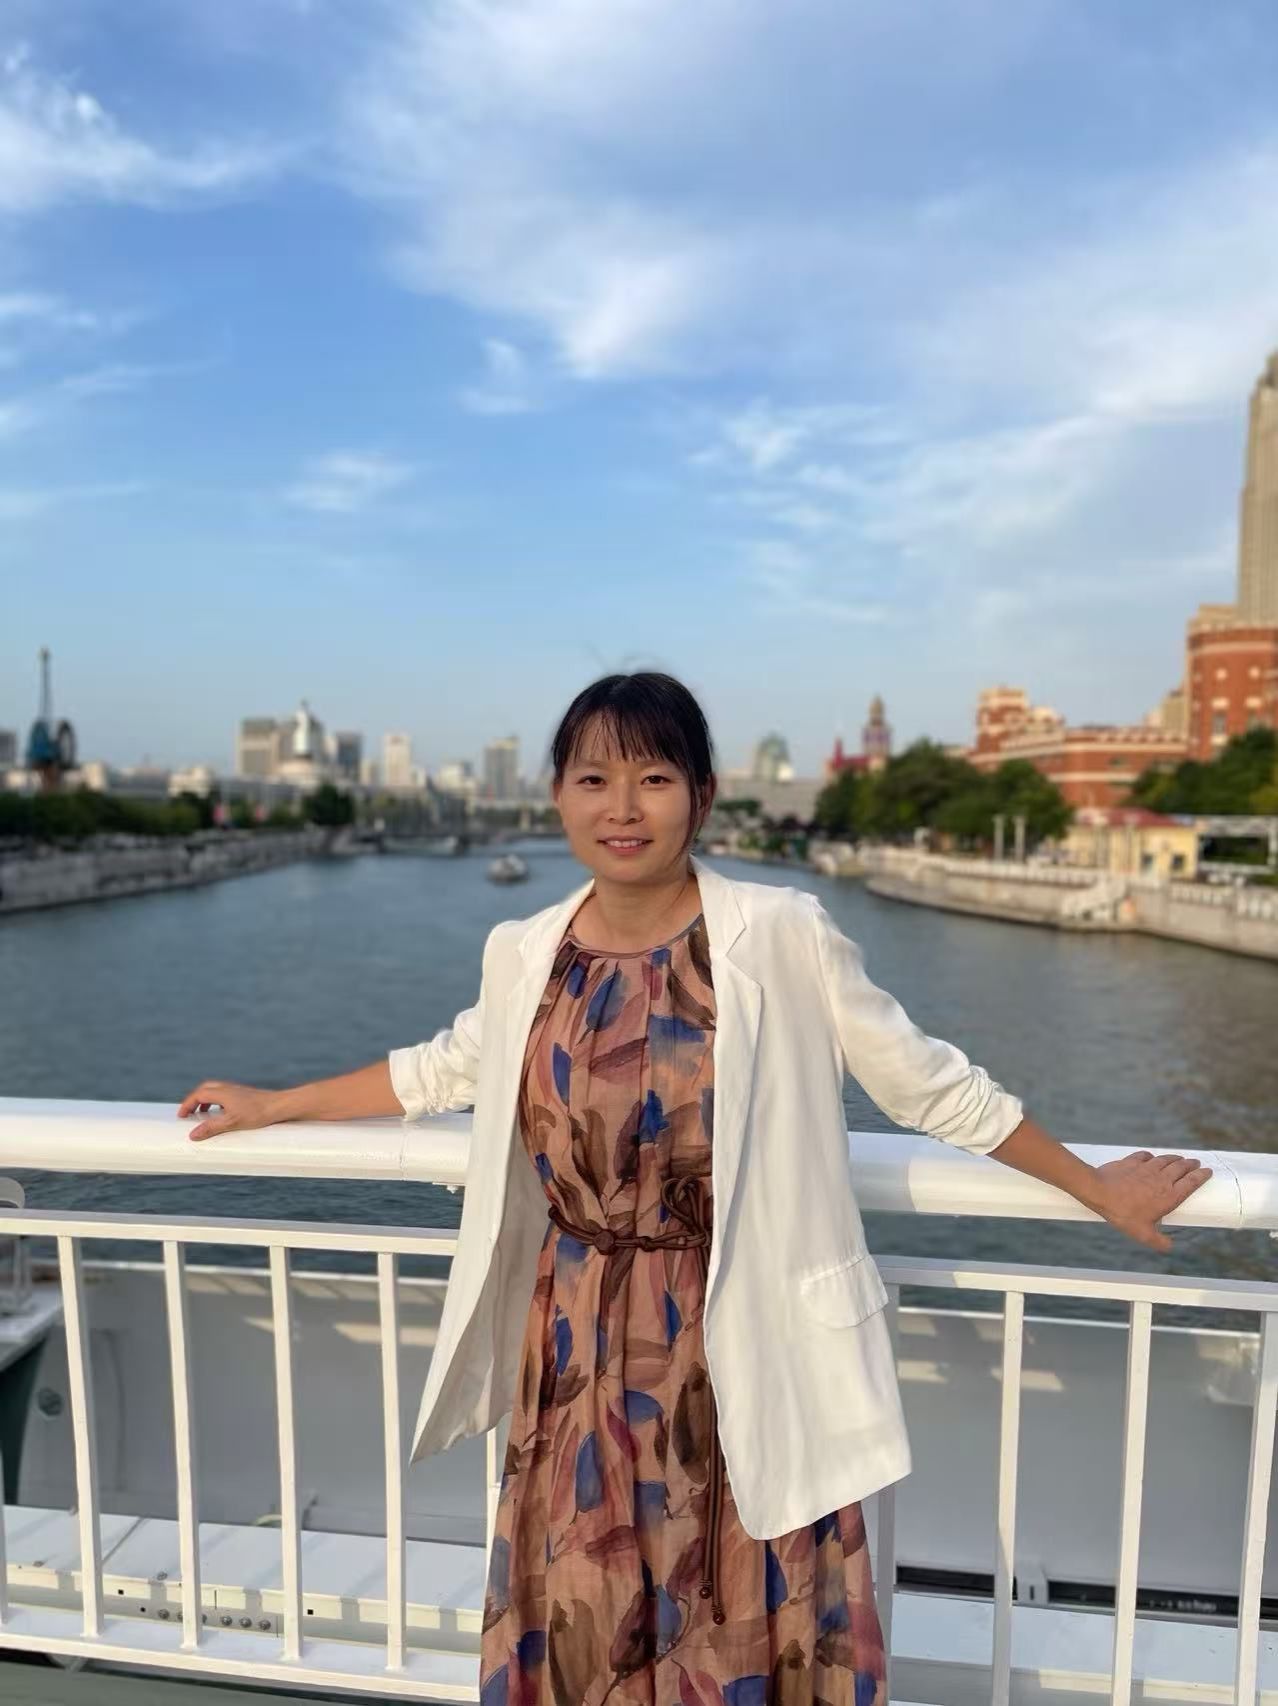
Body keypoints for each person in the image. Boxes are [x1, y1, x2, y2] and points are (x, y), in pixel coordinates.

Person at [178, 671, 1212, 1705]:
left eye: (655, 778)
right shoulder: (526, 951)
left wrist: (1094, 1185)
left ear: (702, 796)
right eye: (594, 779)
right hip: (577, 1342)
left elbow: (929, 1085)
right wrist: (278, 1103)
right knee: (587, 1604)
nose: (622, 807)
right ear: (557, 797)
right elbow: (444, 1067)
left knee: (740, 1607)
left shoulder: (779, 934)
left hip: (740, 1333)